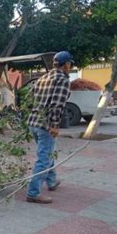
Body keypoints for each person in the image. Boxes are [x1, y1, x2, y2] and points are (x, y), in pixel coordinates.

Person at [26, 51, 73, 204]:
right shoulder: (62, 80)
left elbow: (28, 99)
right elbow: (56, 105)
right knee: (44, 159)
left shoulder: (42, 78)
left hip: (33, 122)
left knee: (48, 153)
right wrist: (54, 125)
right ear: (66, 64)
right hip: (46, 125)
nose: (70, 66)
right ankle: (33, 193)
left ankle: (51, 181)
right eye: (70, 63)